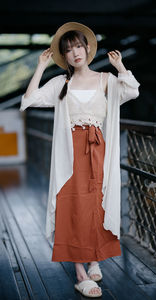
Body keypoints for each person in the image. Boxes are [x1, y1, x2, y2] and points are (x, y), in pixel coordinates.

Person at [19, 22, 140, 298]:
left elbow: (132, 91)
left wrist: (120, 68)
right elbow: (29, 100)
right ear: (64, 56)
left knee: (97, 203)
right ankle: (80, 273)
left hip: (97, 150)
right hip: (70, 152)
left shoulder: (105, 80)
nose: (74, 53)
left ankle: (95, 256)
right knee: (72, 205)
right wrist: (40, 66)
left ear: (87, 48)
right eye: (68, 49)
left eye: (78, 46)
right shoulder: (61, 83)